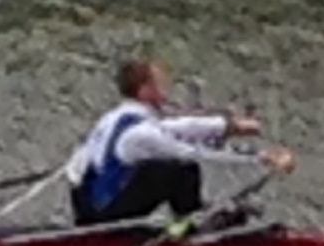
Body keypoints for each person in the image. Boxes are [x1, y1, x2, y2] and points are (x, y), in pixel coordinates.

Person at [67, 56, 295, 226]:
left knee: (171, 168)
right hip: (103, 212)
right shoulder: (140, 134)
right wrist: (261, 159)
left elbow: (182, 127)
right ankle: (191, 228)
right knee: (183, 169)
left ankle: (187, 219)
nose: (167, 88)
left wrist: (231, 126)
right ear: (145, 90)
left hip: (90, 204)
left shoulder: (114, 117)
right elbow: (194, 153)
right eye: (161, 83)